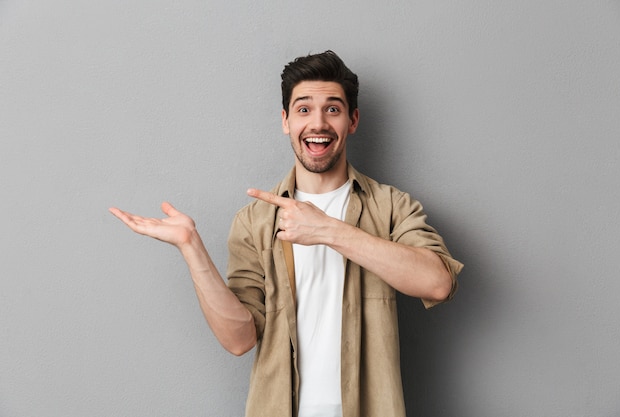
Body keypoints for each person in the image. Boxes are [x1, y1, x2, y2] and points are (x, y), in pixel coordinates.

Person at [109, 50, 463, 417]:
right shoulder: (254, 221)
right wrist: (190, 247)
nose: (318, 123)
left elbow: (438, 282)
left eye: (333, 109)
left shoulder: (392, 206)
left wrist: (329, 231)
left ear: (353, 120)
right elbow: (239, 339)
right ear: (285, 120)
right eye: (304, 109)